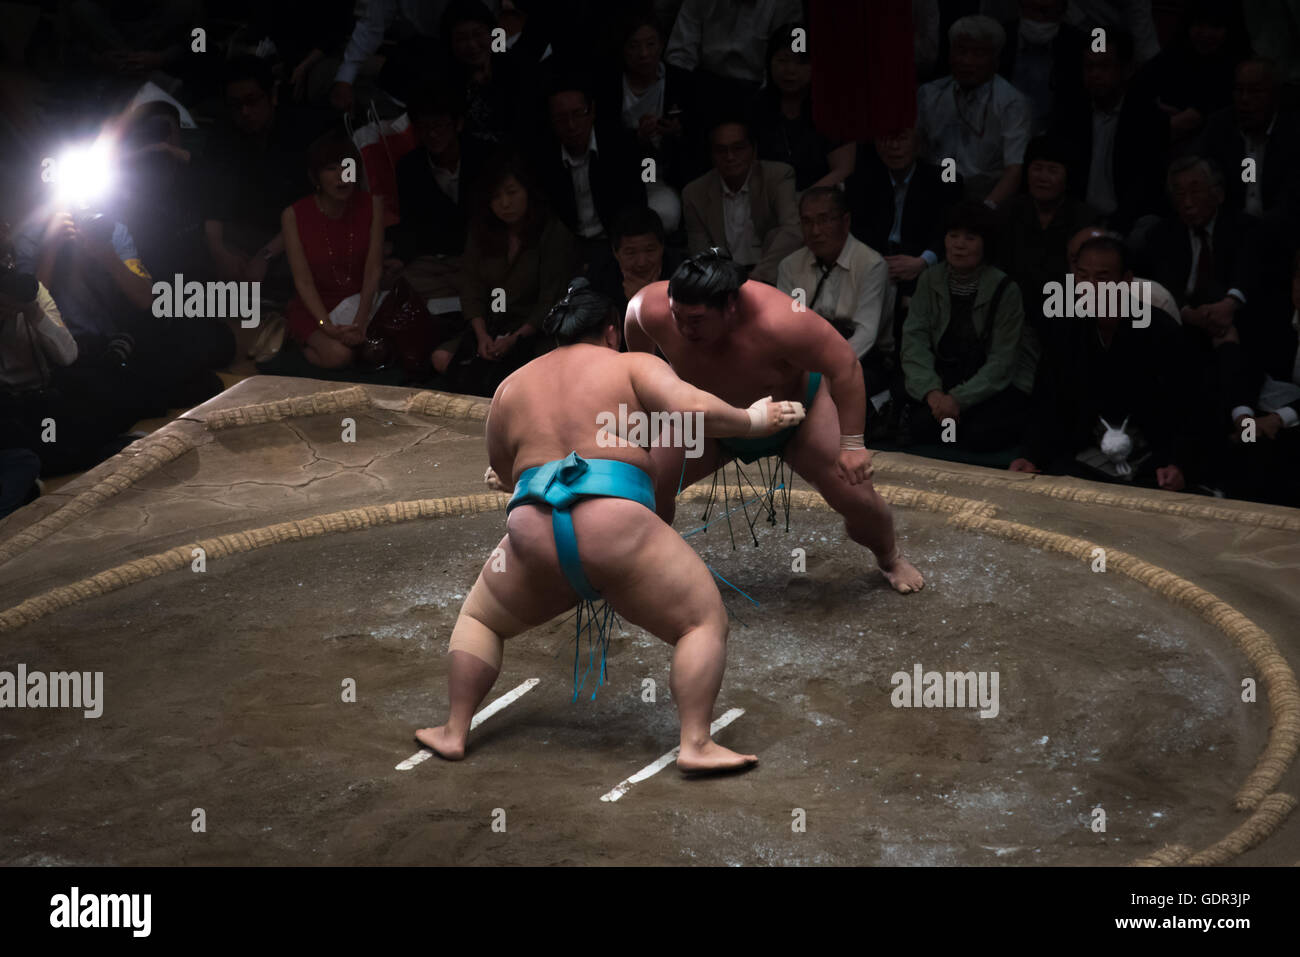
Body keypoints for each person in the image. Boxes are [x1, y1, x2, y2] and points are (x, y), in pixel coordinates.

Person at [415, 279, 807, 768]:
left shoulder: (510, 386)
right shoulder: (630, 365)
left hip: (532, 529)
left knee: (479, 619)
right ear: (609, 332)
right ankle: (696, 744)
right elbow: (694, 408)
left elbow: (501, 466)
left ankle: (453, 730)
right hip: (613, 524)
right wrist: (752, 420)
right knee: (701, 622)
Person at [626, 249, 925, 594]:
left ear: (731, 306)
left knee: (858, 499)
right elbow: (638, 359)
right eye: (677, 315)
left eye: (695, 320)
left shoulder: (783, 320)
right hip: (708, 421)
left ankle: (889, 558)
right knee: (645, 484)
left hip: (795, 417)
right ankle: (646, 565)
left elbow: (845, 366)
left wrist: (853, 443)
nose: (682, 328)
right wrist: (651, 402)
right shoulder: (649, 308)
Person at [1010, 235, 1198, 491]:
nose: (1089, 286)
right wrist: (1029, 454)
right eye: (1082, 276)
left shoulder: (1159, 329)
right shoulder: (1064, 328)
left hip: (1149, 452)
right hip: (1084, 448)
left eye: (1101, 278)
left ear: (1126, 280)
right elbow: (1047, 399)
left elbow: (1187, 406)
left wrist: (1177, 463)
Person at [900, 201, 1038, 453]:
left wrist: (958, 400)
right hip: (946, 377)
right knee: (922, 427)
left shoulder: (1006, 289)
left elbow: (1002, 361)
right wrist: (933, 395)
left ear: (986, 244)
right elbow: (914, 341)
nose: (958, 245)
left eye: (970, 238)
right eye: (952, 236)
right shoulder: (930, 279)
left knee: (980, 435)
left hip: (992, 384)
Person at [437, 153, 578, 393]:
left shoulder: (552, 232)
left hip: (535, 330)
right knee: (441, 358)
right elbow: (471, 286)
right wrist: (482, 336)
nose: (504, 203)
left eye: (511, 193)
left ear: (527, 192)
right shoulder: (481, 230)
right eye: (496, 197)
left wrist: (515, 338)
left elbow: (550, 298)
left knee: (538, 375)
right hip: (493, 327)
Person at [282, 133, 385, 370]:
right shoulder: (294, 215)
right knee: (340, 356)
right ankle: (302, 342)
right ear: (314, 176)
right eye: (331, 168)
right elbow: (303, 282)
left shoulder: (372, 205)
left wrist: (360, 322)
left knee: (377, 352)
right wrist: (325, 325)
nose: (342, 176)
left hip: (360, 303)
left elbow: (373, 271)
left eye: (348, 167)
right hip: (315, 309)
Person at [777, 187, 891, 396]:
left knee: (836, 390)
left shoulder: (871, 264)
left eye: (824, 220)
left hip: (859, 356)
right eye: (807, 222)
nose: (815, 231)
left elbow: (866, 334)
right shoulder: (789, 266)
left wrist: (824, 371)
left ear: (845, 222)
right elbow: (785, 328)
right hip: (805, 355)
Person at [531, 76, 647, 271]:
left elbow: (636, 207)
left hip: (615, 242)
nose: (571, 125)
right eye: (561, 118)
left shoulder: (621, 146)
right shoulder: (543, 157)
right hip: (567, 246)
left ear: (591, 111)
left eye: (578, 114)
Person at [916, 15, 1032, 207]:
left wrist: (987, 208)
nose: (967, 61)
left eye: (978, 54)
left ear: (996, 59)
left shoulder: (1012, 103)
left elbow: (1014, 170)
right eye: (961, 51)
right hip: (934, 192)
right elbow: (918, 152)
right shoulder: (929, 94)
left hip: (985, 199)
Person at [681, 117, 802, 285]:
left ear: (754, 150)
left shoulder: (777, 176)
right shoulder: (694, 193)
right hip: (725, 280)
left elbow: (793, 230)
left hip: (771, 272)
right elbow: (701, 252)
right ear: (711, 155)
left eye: (738, 148)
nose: (730, 157)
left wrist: (757, 277)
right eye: (721, 150)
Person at [747, 22, 857, 192]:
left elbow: (843, 168)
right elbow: (750, 167)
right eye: (783, 60)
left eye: (800, 62)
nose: (790, 70)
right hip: (769, 202)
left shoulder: (832, 107)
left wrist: (803, 201)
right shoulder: (758, 105)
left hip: (820, 203)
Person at [589, 206, 681, 346]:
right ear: (615, 252)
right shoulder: (600, 276)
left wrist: (647, 302)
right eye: (631, 253)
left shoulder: (681, 271)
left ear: (662, 247)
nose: (641, 262)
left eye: (650, 250)